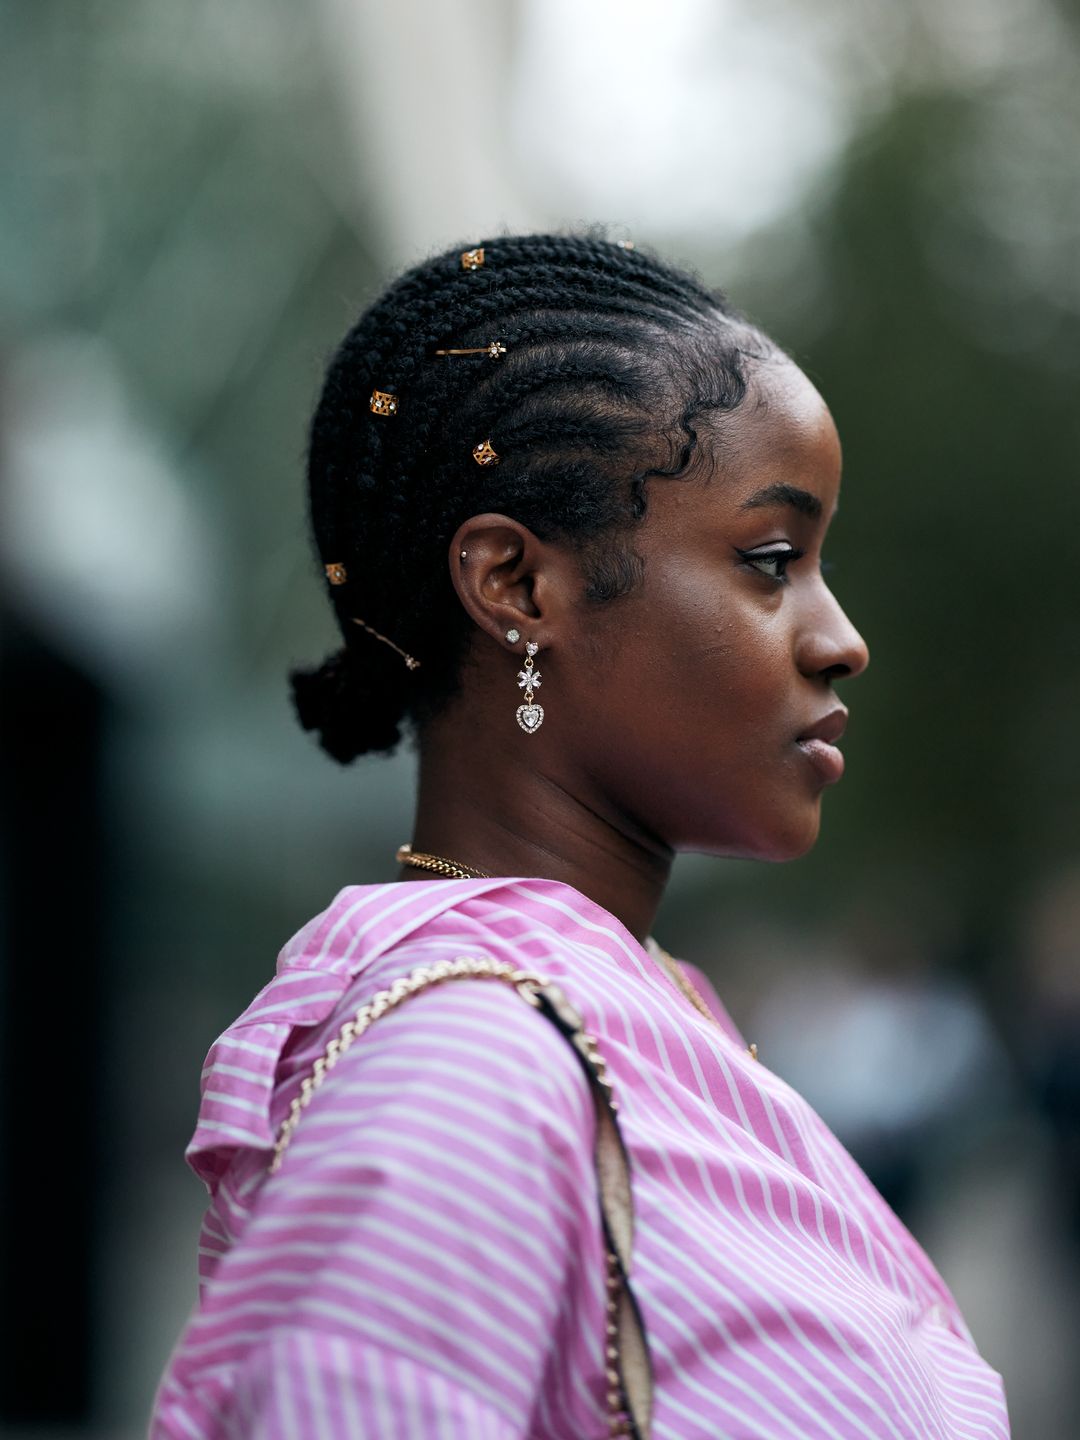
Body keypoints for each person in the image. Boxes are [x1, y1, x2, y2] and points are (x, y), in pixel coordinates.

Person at [151, 233, 1009, 1438]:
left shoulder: (626, 1016)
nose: (840, 637)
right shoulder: (470, 1061)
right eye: (772, 561)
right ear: (515, 585)